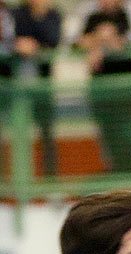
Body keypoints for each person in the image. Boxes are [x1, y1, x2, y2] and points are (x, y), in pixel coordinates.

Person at [70, 0, 131, 174]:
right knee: (107, 134)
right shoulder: (89, 9)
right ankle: (115, 177)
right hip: (101, 85)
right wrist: (98, 39)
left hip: (129, 83)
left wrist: (111, 40)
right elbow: (72, 39)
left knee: (128, 132)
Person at [10, 0, 63, 177]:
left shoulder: (53, 15)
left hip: (43, 85)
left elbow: (53, 39)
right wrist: (17, 44)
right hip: (15, 86)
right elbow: (12, 38)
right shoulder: (17, 14)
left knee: (47, 133)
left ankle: (51, 183)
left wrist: (35, 44)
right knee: (16, 135)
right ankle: (15, 185)